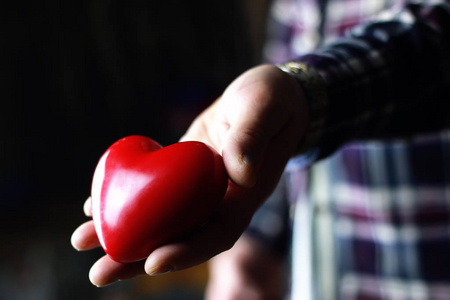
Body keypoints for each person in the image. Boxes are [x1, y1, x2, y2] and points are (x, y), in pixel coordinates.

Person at [71, 0, 450, 299]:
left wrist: (309, 91)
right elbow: (269, 127)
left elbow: (437, 36)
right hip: (322, 279)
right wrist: (254, 245)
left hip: (424, 277)